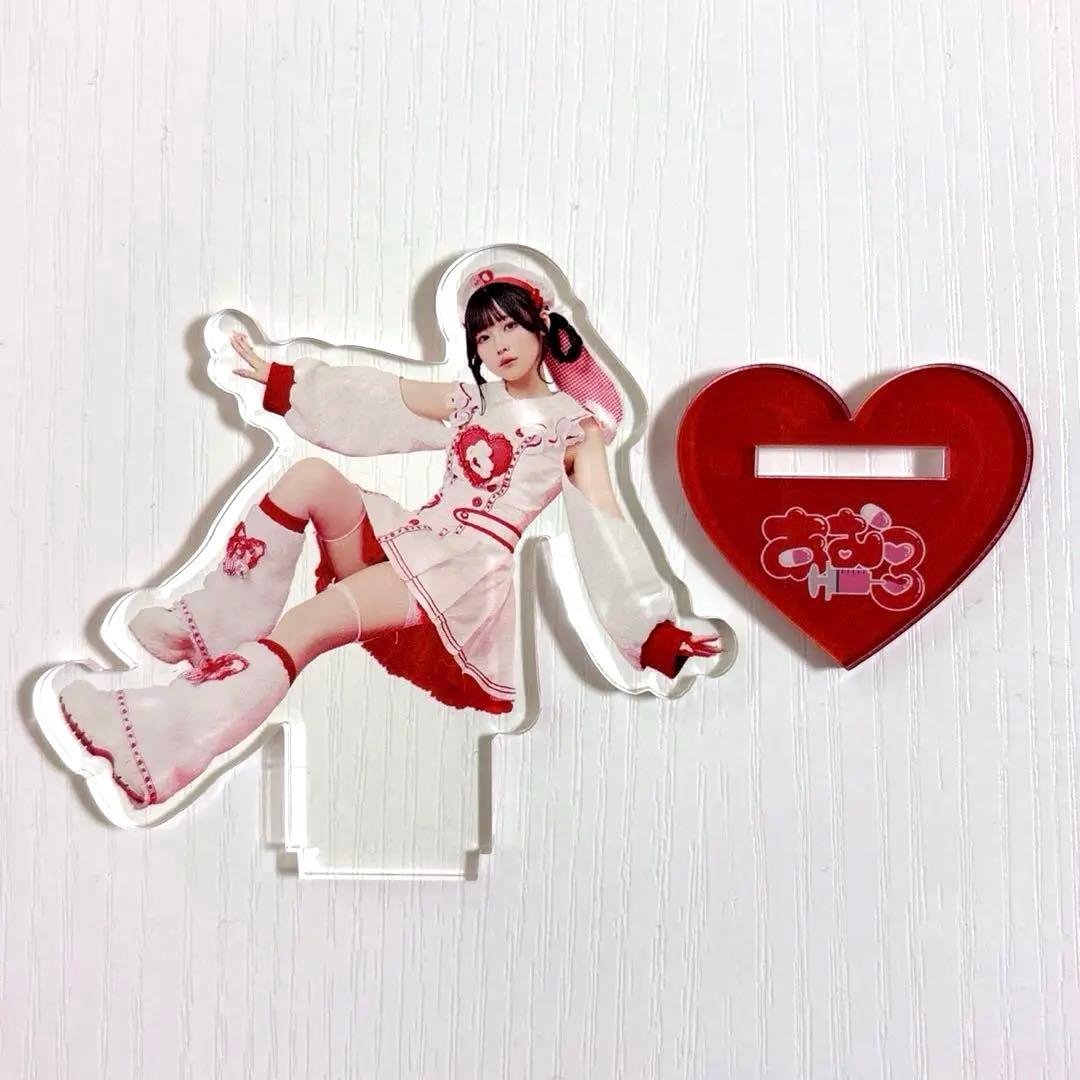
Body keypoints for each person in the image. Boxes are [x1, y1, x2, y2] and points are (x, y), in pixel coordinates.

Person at [58, 263, 722, 809]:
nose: (499, 345)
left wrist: (650, 629)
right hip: (412, 540)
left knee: (307, 625)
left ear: (540, 327)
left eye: (511, 326)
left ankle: (154, 741)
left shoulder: (574, 427)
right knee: (310, 478)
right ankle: (206, 630)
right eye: (484, 335)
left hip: (460, 577)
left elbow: (604, 524)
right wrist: (285, 381)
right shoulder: (471, 401)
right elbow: (385, 397)